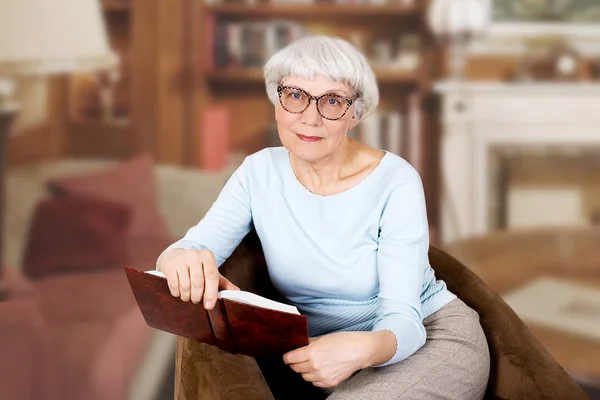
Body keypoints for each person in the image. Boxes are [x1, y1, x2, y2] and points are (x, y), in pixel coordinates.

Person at [156, 35, 490, 399]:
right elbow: (193, 246)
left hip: (422, 340)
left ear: (354, 114)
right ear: (277, 102)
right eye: (296, 96)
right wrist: (179, 259)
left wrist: (357, 350)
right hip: (320, 356)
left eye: (332, 100)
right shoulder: (258, 172)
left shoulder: (396, 181)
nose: (309, 118)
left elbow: (403, 321)